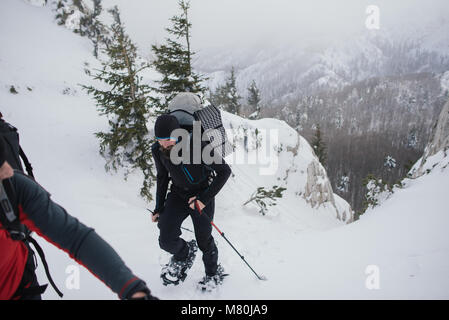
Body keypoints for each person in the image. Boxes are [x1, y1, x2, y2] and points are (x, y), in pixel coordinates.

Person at [0, 138, 157, 300]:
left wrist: (132, 289)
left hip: (20, 287)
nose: (7, 170)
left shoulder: (12, 186)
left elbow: (76, 238)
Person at [151, 113, 232, 289]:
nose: (163, 144)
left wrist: (203, 199)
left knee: (204, 238)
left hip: (202, 194)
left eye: (167, 139)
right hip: (178, 194)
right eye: (159, 139)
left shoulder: (198, 147)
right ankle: (184, 254)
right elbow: (162, 177)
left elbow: (224, 171)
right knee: (165, 237)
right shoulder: (158, 150)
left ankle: (212, 273)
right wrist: (158, 207)